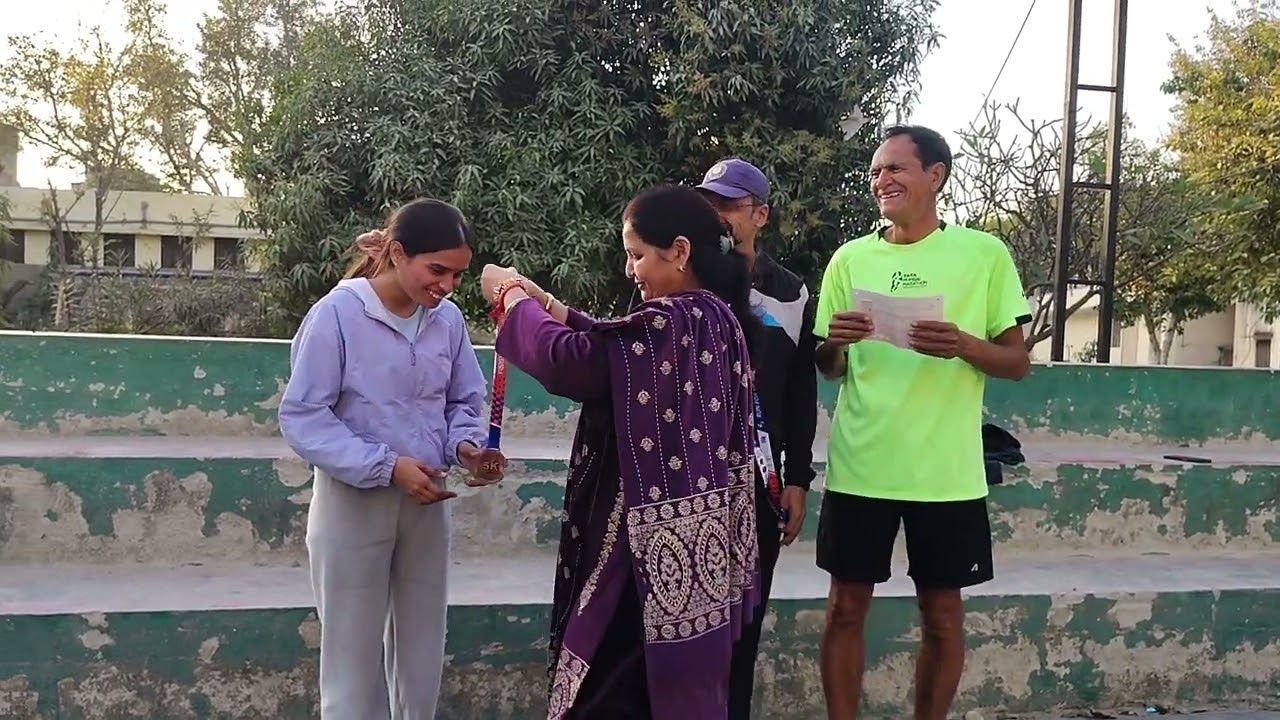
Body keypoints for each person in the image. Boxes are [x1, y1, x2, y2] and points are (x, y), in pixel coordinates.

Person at [480, 184, 763, 720]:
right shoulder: (713, 318)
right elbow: (615, 347)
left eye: (637, 255)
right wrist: (547, 304)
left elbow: (574, 362)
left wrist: (511, 302)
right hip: (693, 552)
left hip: (647, 560)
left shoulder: (672, 319)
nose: (630, 270)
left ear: (678, 252)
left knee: (613, 695)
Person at [811, 125, 1032, 720]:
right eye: (877, 171)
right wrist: (837, 341)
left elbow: (1017, 362)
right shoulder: (850, 258)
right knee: (844, 609)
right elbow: (828, 368)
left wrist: (962, 343)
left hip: (946, 473)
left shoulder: (984, 255)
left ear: (935, 176)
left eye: (896, 169)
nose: (881, 180)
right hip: (862, 466)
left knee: (941, 614)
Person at [278, 197, 508, 720]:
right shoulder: (337, 315)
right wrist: (386, 466)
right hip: (353, 505)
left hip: (427, 503)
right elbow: (303, 416)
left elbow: (463, 402)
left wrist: (469, 449)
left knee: (422, 645)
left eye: (456, 274)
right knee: (352, 657)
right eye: (437, 270)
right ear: (398, 255)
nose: (447, 285)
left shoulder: (445, 321)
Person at [695, 158, 818, 718]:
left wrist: (797, 480)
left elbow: (798, 394)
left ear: (760, 215)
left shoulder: (792, 293)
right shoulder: (678, 275)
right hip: (685, 479)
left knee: (744, 623)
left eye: (728, 205)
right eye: (709, 203)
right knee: (680, 627)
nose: (716, 216)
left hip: (758, 485)